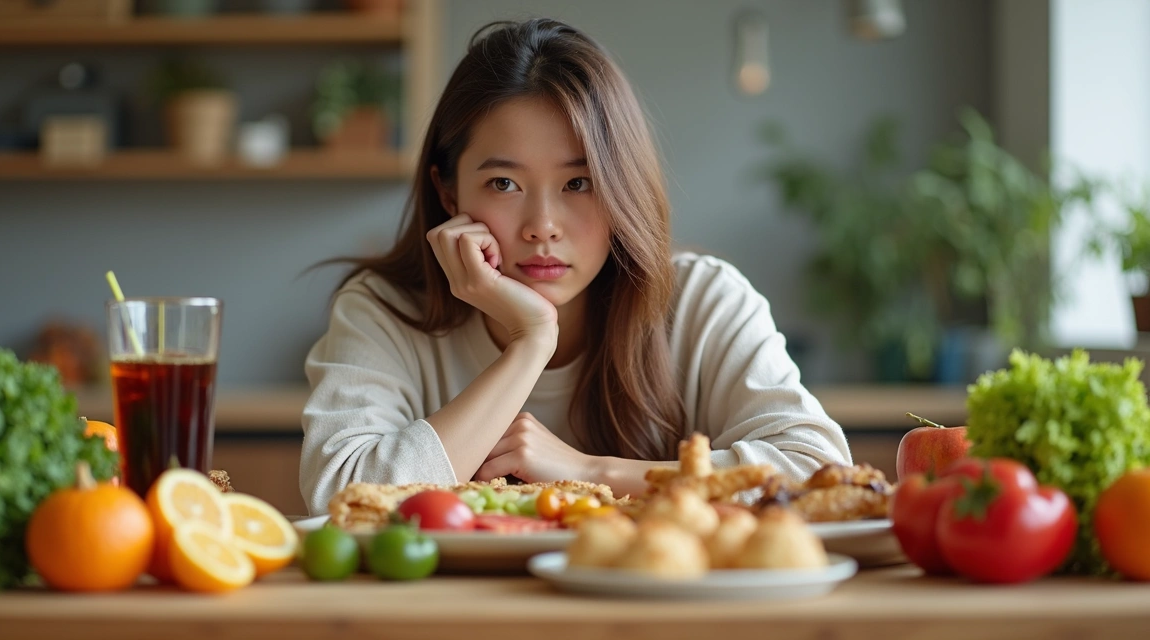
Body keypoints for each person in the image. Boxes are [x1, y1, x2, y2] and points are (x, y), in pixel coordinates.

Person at [299, 17, 851, 515]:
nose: (543, 225)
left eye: (578, 183)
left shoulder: (703, 300)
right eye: (504, 183)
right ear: (448, 191)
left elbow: (818, 468)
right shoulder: (385, 310)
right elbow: (340, 494)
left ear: (621, 187)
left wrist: (593, 472)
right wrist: (530, 343)